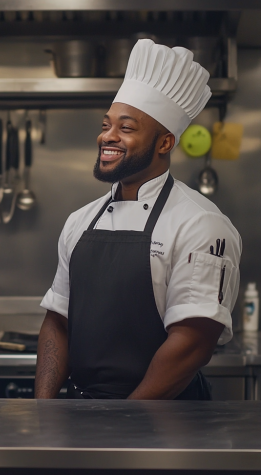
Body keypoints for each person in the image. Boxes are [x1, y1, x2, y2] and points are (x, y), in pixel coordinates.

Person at [35, 39, 241, 400]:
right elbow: (58, 321)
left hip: (167, 420)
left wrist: (129, 419)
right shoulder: (79, 221)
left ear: (164, 143)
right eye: (106, 124)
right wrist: (44, 408)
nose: (107, 137)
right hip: (82, 413)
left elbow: (193, 341)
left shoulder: (201, 223)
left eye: (126, 128)